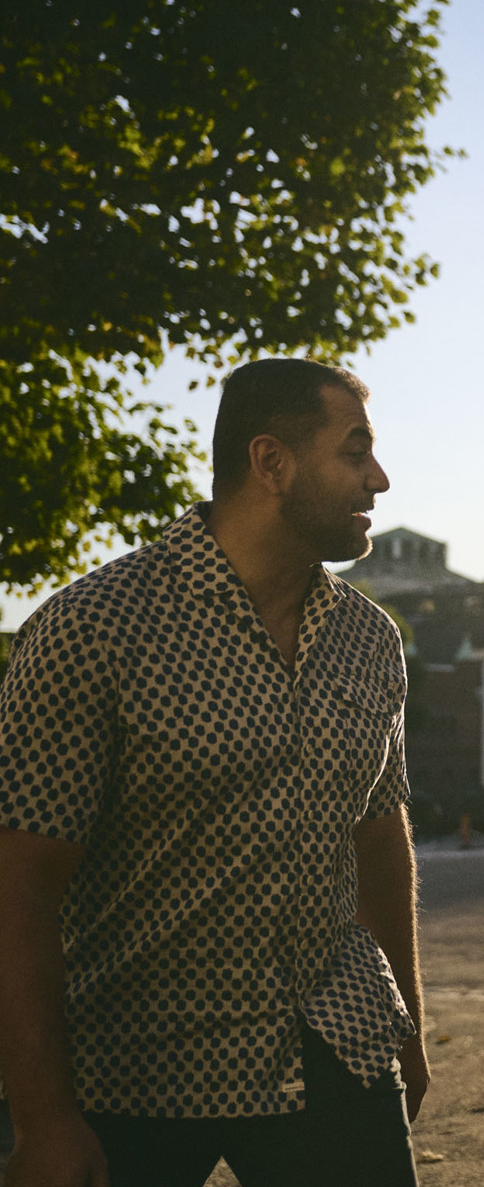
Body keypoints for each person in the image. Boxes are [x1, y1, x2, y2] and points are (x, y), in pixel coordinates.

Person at [0, 358, 428, 1186]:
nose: (379, 477)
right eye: (355, 451)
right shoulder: (94, 630)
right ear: (271, 463)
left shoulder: (370, 640)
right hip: (132, 1067)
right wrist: (44, 1118)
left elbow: (380, 839)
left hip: (336, 1041)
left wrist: (402, 1032)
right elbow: (21, 883)